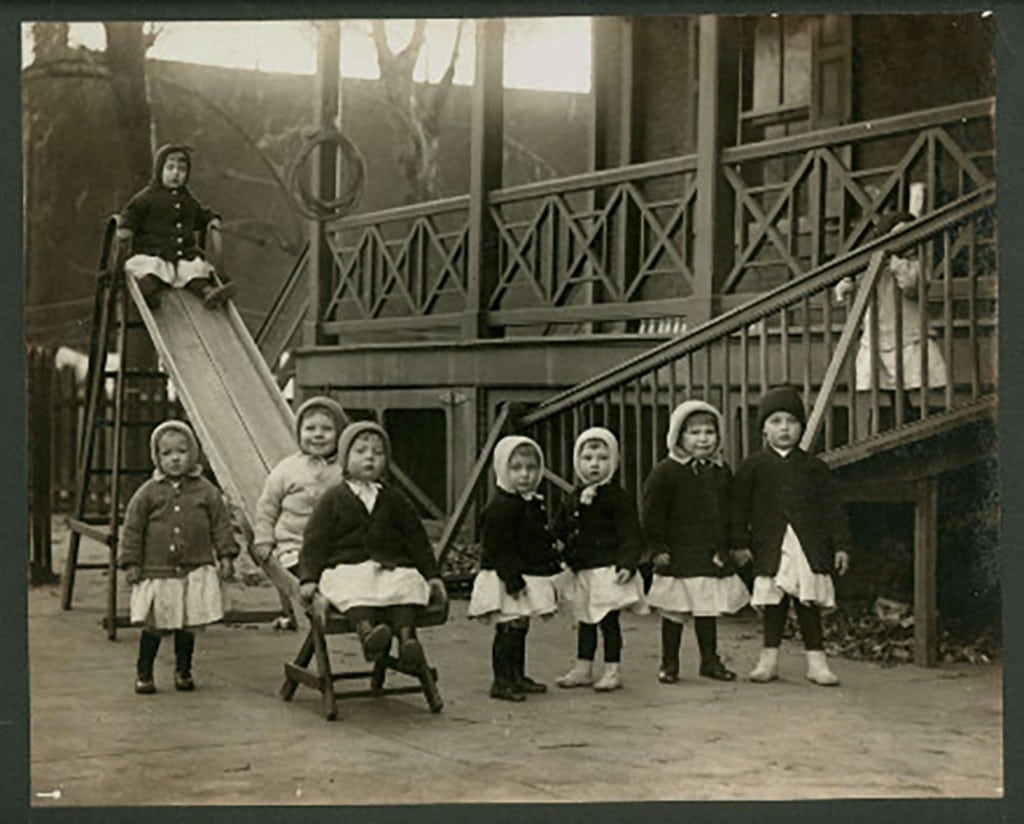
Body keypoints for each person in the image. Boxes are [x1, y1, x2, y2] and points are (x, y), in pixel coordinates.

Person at [298, 421, 445, 672]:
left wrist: (431, 575)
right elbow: (315, 542)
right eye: (361, 451)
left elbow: (416, 538)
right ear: (345, 459)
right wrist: (308, 578)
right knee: (352, 586)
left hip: (390, 566)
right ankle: (368, 633)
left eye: (377, 453)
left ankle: (407, 640)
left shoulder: (395, 499)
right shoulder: (333, 499)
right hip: (348, 565)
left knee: (405, 585)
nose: (370, 458)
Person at [731, 386, 852, 686]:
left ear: (801, 427)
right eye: (776, 421)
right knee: (774, 602)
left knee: (807, 602)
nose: (784, 428)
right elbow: (737, 508)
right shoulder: (753, 467)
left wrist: (841, 545)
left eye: (791, 421)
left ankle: (817, 662)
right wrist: (738, 543)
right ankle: (768, 660)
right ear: (763, 430)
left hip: (807, 547)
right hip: (770, 545)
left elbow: (832, 509)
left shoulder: (814, 468)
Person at [119, 420, 237, 694]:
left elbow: (221, 523)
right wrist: (131, 563)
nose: (174, 458)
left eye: (181, 451)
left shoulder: (205, 490)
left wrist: (226, 555)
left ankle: (183, 671)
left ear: (193, 454)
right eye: (166, 453)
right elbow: (133, 528)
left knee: (187, 623)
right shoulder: (148, 493)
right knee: (156, 624)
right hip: (158, 571)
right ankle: (144, 672)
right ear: (157, 457)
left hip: (194, 569)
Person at [642, 400, 750, 684]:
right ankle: (669, 663)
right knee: (675, 610)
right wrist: (658, 548)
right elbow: (652, 513)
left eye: (709, 432)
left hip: (709, 552)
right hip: (678, 553)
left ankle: (710, 661)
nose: (703, 439)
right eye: (694, 433)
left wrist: (735, 544)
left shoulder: (720, 471)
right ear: (678, 437)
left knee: (707, 609)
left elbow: (732, 511)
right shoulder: (666, 472)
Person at [834, 210, 948, 438]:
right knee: (883, 386)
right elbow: (847, 285)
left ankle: (914, 423)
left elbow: (911, 285)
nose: (902, 242)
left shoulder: (914, 264)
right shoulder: (873, 264)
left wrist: (895, 262)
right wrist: (847, 281)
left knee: (913, 382)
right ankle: (886, 425)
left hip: (907, 333)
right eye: (896, 236)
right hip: (879, 333)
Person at [467, 436, 562, 702]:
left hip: (525, 573)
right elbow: (499, 548)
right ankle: (501, 680)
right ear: (502, 470)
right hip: (507, 577)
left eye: (531, 468)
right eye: (516, 468)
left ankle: (517, 675)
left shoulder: (529, 502)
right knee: (508, 629)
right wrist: (511, 579)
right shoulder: (501, 507)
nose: (525, 474)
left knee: (521, 627)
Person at [554, 427, 648, 692]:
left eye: (602, 458)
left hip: (607, 570)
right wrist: (560, 553)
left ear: (613, 462)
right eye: (588, 458)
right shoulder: (573, 496)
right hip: (582, 570)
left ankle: (612, 669)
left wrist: (627, 563)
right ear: (578, 461)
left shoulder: (617, 497)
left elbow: (630, 533)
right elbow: (560, 528)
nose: (594, 464)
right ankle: (583, 667)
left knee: (608, 621)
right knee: (585, 619)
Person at [252, 396, 346, 631]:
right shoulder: (287, 469)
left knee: (347, 571)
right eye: (310, 428)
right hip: (296, 544)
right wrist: (264, 538)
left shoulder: (343, 470)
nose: (318, 434)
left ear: (340, 433)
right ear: (299, 433)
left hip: (335, 546)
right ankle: (317, 602)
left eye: (326, 429)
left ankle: (351, 605)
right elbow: (267, 506)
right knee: (303, 571)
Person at [119, 143, 236, 310]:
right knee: (153, 269)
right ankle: (147, 292)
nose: (176, 174)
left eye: (182, 170)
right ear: (160, 170)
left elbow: (202, 214)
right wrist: (126, 229)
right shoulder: (146, 199)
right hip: (154, 252)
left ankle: (208, 292)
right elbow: (131, 215)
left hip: (183, 256)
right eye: (170, 168)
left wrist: (212, 219)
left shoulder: (188, 201)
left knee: (194, 270)